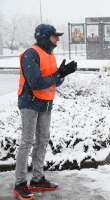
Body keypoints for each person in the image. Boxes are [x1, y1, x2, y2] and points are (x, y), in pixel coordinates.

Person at [13, 24, 77, 200]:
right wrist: (58, 75)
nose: (58, 39)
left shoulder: (50, 55)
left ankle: (37, 179)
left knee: (42, 141)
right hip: (30, 102)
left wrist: (63, 73)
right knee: (27, 142)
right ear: (45, 36)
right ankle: (20, 184)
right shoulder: (31, 54)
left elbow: (53, 82)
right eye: (55, 36)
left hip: (46, 103)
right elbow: (35, 82)